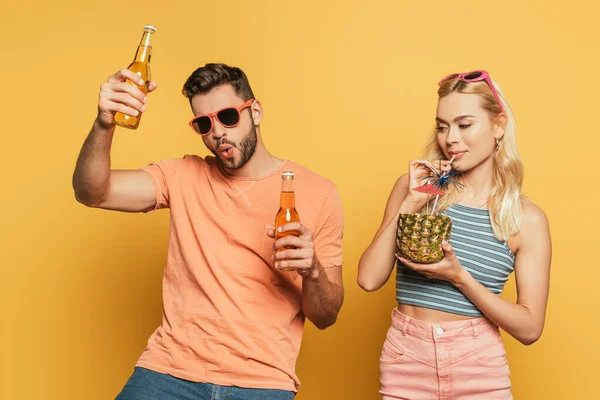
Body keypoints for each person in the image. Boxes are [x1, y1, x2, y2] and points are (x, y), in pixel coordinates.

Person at [72, 63, 344, 399]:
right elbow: (91, 192)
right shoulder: (183, 175)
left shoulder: (318, 192)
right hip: (169, 371)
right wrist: (104, 124)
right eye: (204, 123)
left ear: (255, 111)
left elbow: (326, 316)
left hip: (262, 381)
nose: (217, 132)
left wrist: (313, 270)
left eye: (228, 116)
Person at [357, 70, 552, 399]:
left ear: (498, 126)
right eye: (443, 126)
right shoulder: (416, 190)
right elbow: (368, 278)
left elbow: (530, 328)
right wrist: (411, 203)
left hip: (477, 363)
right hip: (406, 358)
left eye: (464, 125)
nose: (450, 138)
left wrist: (460, 277)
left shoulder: (525, 219)